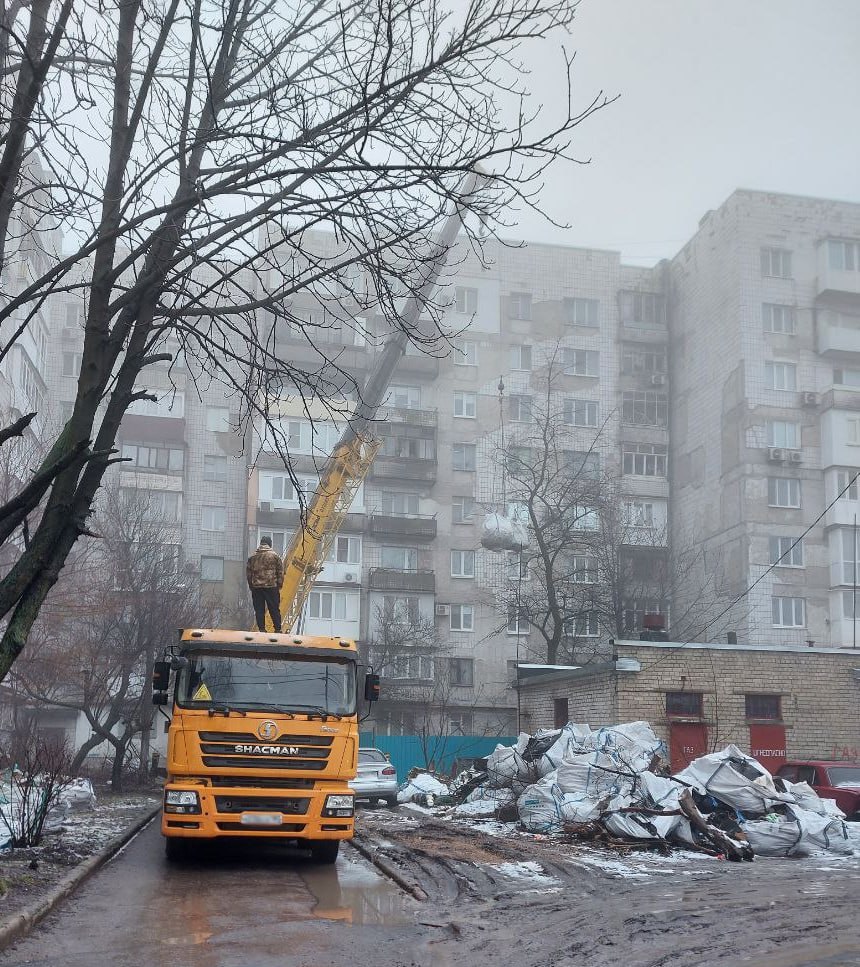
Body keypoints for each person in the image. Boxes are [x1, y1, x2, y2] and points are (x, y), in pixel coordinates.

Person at [246, 536, 285, 632]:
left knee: (259, 610)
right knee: (274, 609)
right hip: (271, 587)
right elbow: (280, 572)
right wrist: (279, 585)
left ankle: (262, 629)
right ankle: (277, 629)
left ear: (261, 543)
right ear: (269, 544)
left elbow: (249, 574)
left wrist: (252, 587)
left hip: (257, 588)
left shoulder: (252, 557)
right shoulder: (275, 556)